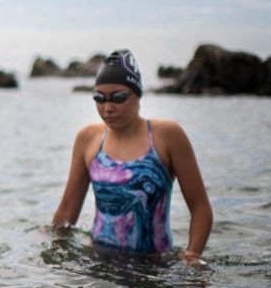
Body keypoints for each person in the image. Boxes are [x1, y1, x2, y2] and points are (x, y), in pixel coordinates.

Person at [52, 49, 212, 262]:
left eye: (118, 97)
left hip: (154, 266)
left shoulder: (167, 136)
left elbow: (201, 208)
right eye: (99, 98)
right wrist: (50, 251)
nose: (108, 107)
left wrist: (192, 256)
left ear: (137, 94)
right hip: (98, 265)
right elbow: (67, 210)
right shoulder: (88, 138)